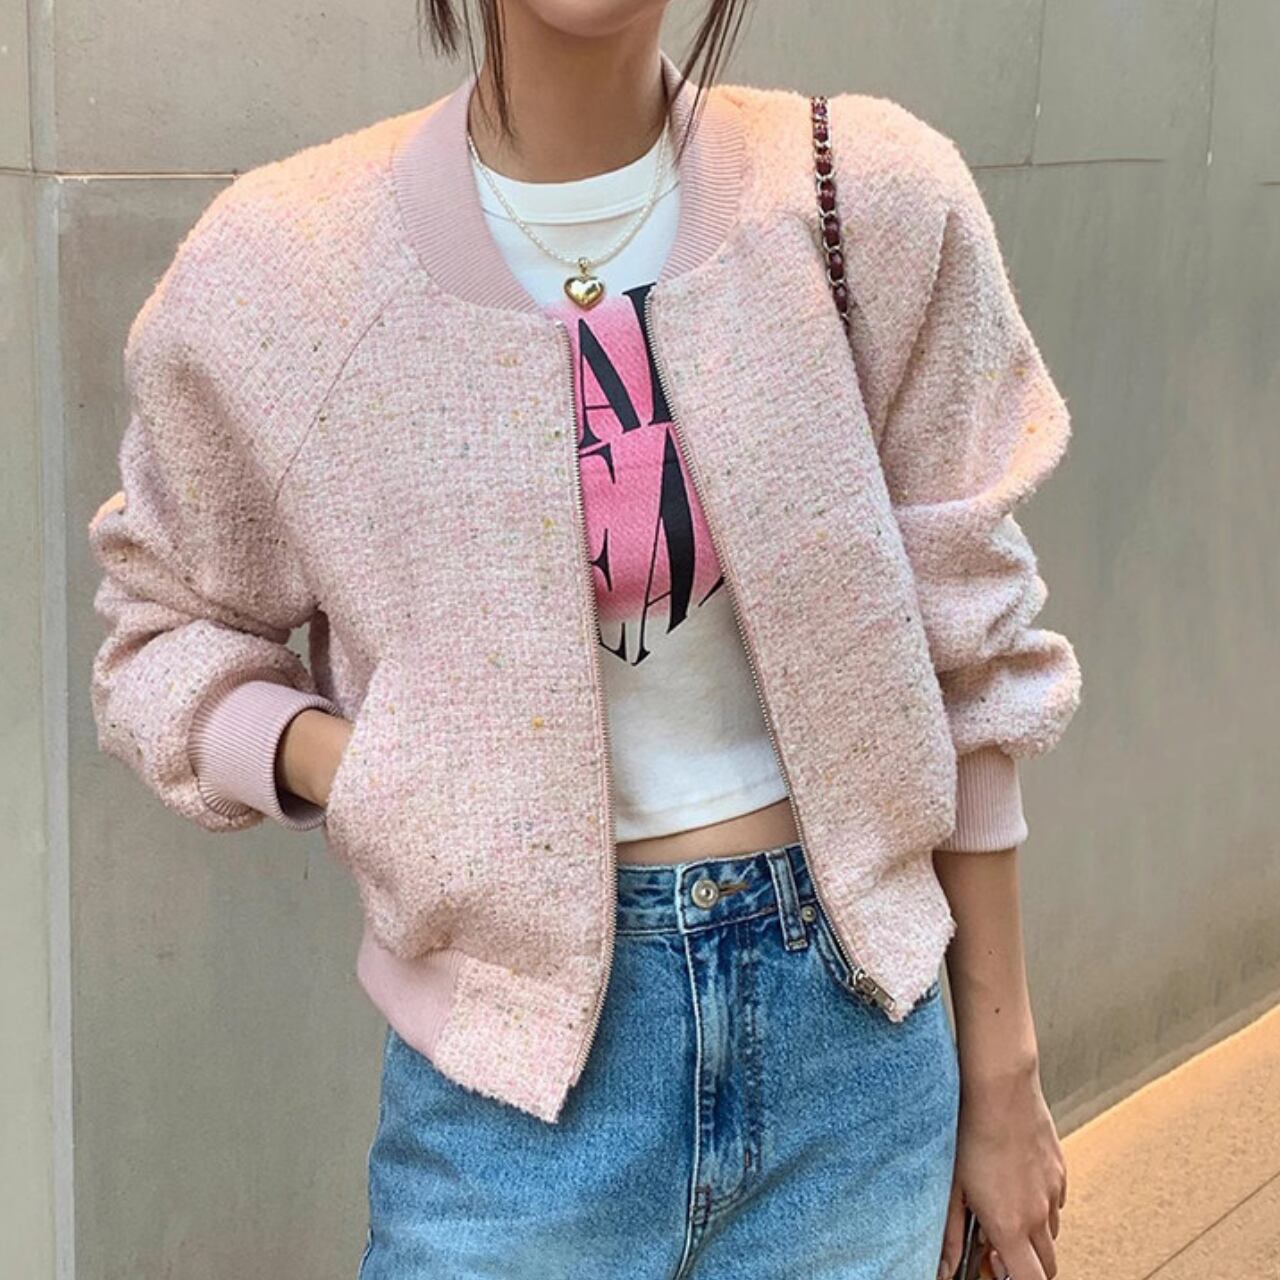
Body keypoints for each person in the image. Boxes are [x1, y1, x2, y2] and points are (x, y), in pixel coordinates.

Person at [86, 2, 1081, 1277]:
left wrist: (1002, 1074)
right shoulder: (286, 269)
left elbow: (970, 649)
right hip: (510, 1094)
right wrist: (360, 764)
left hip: (853, 1063)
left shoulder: (866, 198)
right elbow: (160, 631)